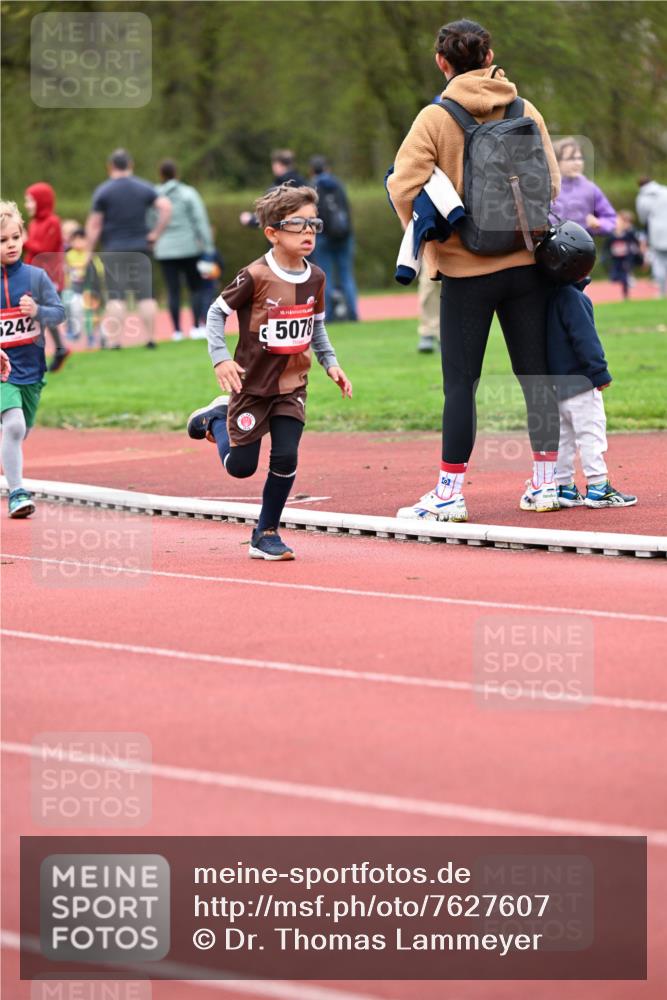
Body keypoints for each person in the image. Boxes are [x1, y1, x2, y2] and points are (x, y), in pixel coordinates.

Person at [387, 18, 561, 522]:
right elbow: (548, 184)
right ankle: (546, 485)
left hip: (466, 271)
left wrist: (435, 235)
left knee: (461, 383)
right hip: (528, 264)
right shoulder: (525, 108)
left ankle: (449, 493)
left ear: (443, 63)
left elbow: (404, 186)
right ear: (490, 57)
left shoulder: (435, 117)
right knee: (537, 377)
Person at [187, 183, 352, 560]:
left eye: (314, 224)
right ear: (273, 233)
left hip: (292, 385)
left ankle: (266, 533)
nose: (309, 232)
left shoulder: (317, 278)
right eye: (299, 224)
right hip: (252, 385)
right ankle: (216, 418)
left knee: (286, 457)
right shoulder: (255, 275)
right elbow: (216, 312)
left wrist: (331, 363)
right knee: (241, 468)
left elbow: (317, 325)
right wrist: (220, 357)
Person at [536, 223, 637, 509]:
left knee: (565, 438)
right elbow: (585, 340)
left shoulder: (545, 298)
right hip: (581, 383)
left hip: (556, 386)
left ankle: (564, 487)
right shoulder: (573, 298)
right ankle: (598, 486)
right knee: (591, 434)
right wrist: (599, 373)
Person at [0, 201, 65, 517]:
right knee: (13, 426)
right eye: (2, 240)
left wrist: (38, 311)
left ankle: (10, 470)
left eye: (15, 237)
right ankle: (17, 493)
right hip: (3, 371)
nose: (10, 245)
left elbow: (59, 313)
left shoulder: (36, 278)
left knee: (20, 430)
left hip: (33, 372)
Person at [85, 149, 172, 349]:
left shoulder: (103, 191)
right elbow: (166, 207)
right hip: (141, 248)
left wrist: (89, 250)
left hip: (114, 249)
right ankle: (150, 339)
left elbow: (95, 224)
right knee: (146, 295)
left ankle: (115, 342)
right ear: (130, 165)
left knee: (116, 296)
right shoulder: (143, 187)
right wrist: (155, 234)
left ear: (110, 167)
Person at [154, 159, 215, 341]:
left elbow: (150, 219)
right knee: (195, 288)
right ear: (177, 174)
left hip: (164, 250)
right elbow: (200, 220)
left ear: (160, 175)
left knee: (173, 290)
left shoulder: (155, 195)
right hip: (190, 248)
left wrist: (154, 239)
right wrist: (208, 245)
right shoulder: (188, 193)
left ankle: (177, 331)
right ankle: (196, 327)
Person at [23, 182, 69, 372]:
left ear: (41, 201)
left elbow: (45, 250)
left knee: (39, 315)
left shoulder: (53, 222)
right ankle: (59, 350)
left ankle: (44, 354)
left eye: (30, 200)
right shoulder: (34, 223)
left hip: (49, 277)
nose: (27, 205)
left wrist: (25, 241)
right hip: (32, 275)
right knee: (37, 316)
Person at [309, 155, 358, 322]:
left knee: (325, 276)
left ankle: (327, 315)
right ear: (327, 168)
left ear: (312, 171)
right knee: (346, 276)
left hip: (323, 238)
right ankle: (353, 314)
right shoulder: (338, 185)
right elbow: (347, 209)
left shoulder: (312, 188)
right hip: (344, 236)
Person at [550, 137, 616, 237]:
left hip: (581, 248)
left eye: (580, 158)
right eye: (571, 159)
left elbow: (611, 219)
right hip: (547, 248)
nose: (578, 163)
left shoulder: (590, 188)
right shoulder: (544, 188)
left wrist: (599, 224)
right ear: (555, 161)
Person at [239, 150, 307, 229]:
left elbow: (267, 214)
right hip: (301, 232)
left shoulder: (277, 188)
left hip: (281, 235)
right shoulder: (303, 183)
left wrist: (250, 219)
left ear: (278, 165)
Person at [63, 228, 106, 348]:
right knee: (75, 308)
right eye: (74, 240)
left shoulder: (90, 256)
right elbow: (68, 271)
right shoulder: (69, 255)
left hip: (92, 289)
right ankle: (76, 332)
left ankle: (102, 337)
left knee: (94, 315)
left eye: (81, 240)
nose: (78, 243)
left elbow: (99, 272)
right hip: (78, 289)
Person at [636, 176, 667, 297]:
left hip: (657, 233)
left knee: (659, 263)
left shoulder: (642, 198)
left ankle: (661, 292)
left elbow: (643, 218)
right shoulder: (665, 190)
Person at [603, 210, 643, 299]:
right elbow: (607, 246)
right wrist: (606, 256)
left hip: (626, 258)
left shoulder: (629, 233)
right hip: (616, 258)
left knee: (624, 274)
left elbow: (636, 242)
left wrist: (638, 252)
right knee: (614, 277)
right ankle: (627, 278)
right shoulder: (611, 235)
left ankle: (626, 293)